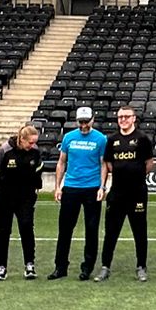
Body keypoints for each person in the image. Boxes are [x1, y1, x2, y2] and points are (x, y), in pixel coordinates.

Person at [50, 104, 109, 281]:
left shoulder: (100, 139)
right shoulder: (69, 138)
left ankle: (87, 267)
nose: (84, 126)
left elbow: (103, 164)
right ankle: (60, 267)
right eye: (81, 122)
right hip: (71, 187)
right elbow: (61, 162)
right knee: (65, 229)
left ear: (93, 120)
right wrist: (58, 186)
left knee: (91, 229)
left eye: (86, 122)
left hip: (91, 188)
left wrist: (102, 187)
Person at [96, 105, 154, 282]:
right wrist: (102, 186)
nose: (123, 120)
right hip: (117, 193)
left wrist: (135, 174)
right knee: (111, 231)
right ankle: (105, 267)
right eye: (120, 117)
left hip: (137, 193)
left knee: (139, 231)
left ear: (134, 118)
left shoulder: (142, 139)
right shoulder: (111, 139)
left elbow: (149, 163)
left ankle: (141, 266)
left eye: (126, 116)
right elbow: (107, 164)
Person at [0, 123, 44, 280]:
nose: (32, 145)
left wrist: (36, 188)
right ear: (22, 139)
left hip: (25, 198)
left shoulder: (35, 153)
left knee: (26, 228)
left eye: (34, 142)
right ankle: (1, 267)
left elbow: (38, 172)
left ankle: (30, 265)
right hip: (3, 198)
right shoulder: (4, 151)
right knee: (3, 232)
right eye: (30, 142)